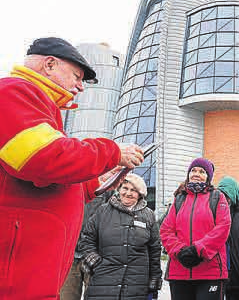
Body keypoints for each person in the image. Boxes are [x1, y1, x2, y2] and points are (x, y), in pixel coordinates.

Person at [0, 37, 144, 300]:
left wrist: (94, 183)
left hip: (26, 271)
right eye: (77, 76)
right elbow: (41, 158)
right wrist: (112, 152)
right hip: (15, 276)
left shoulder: (41, 106)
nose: (80, 86)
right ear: (50, 64)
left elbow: (48, 178)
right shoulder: (13, 92)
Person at [78, 173, 163, 300]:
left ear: (140, 194)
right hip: (103, 282)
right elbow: (87, 238)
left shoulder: (148, 216)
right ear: (119, 189)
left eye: (133, 190)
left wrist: (154, 280)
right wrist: (95, 262)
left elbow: (154, 251)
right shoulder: (103, 211)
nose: (128, 193)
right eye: (125, 188)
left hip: (136, 286)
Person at [160, 158, 231, 300]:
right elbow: (166, 230)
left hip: (210, 272)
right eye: (193, 170)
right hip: (180, 271)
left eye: (202, 171)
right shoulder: (179, 199)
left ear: (208, 177)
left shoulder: (217, 197)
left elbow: (222, 228)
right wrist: (179, 251)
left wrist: (198, 250)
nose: (196, 173)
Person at [218, 176, 239, 300]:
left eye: (227, 195)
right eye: (221, 194)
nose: (225, 199)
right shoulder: (216, 212)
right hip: (225, 276)